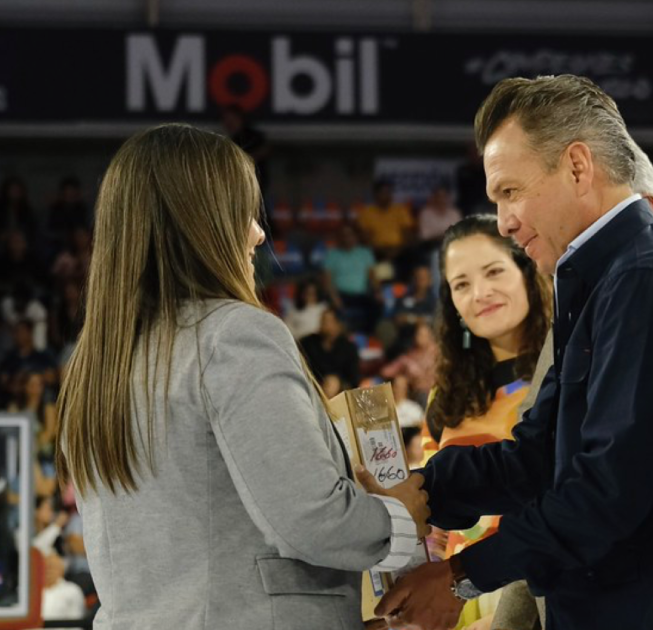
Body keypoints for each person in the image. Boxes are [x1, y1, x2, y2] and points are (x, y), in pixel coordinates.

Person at [378, 75, 653, 630]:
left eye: (510, 192)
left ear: (576, 166)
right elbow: (539, 458)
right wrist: (422, 490)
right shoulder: (604, 280)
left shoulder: (649, 281)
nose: (505, 222)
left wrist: (460, 576)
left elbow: (605, 494)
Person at [54, 123, 429, 629]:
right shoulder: (233, 334)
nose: (258, 233)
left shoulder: (98, 361)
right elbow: (314, 519)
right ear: (199, 223)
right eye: (244, 213)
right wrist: (401, 517)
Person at [417, 213, 552, 627]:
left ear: (527, 272)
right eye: (461, 284)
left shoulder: (565, 374)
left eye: (494, 272)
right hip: (455, 601)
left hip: (537, 602)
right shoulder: (445, 396)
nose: (480, 293)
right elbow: (431, 518)